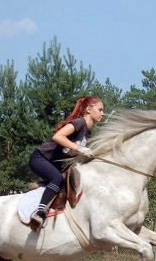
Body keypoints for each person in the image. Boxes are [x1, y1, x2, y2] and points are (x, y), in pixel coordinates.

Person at [28, 96, 104, 230]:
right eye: (100, 110)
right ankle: (39, 213)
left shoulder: (88, 133)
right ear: (88, 109)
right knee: (57, 178)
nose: (102, 113)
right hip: (39, 158)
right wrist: (79, 148)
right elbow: (57, 136)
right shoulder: (79, 123)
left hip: (53, 164)